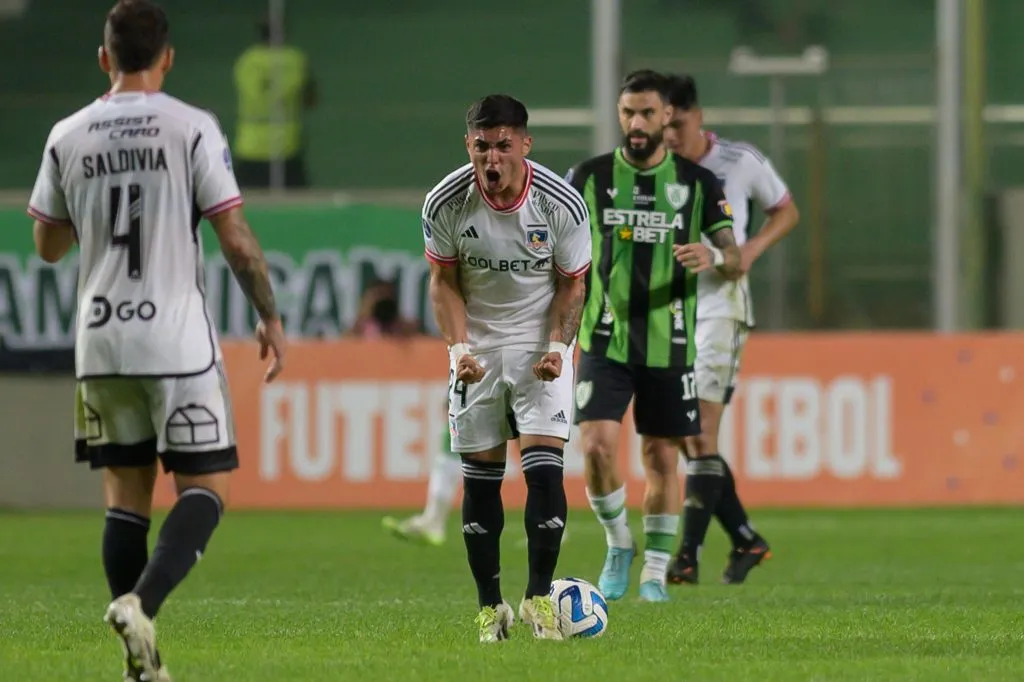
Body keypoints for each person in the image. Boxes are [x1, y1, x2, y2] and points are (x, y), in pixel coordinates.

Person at [26, 2, 286, 680]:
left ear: (103, 58)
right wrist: (270, 315)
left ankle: (141, 665)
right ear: (167, 58)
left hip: (101, 339)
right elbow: (236, 239)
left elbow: (47, 245)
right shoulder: (191, 128)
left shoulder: (68, 134)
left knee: (125, 492)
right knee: (207, 486)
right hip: (174, 338)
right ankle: (141, 602)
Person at [566, 70, 741, 603]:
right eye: (627, 113)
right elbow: (556, 246)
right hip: (603, 337)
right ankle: (620, 544)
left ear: (667, 116)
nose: (636, 124)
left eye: (646, 113)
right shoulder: (588, 177)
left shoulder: (699, 184)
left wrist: (713, 256)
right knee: (596, 447)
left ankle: (654, 575)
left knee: (662, 458)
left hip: (671, 341)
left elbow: (734, 259)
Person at [423, 94, 591, 642]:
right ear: (467, 146)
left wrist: (558, 348)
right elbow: (443, 282)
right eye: (480, 147)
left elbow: (572, 283)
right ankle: (489, 607)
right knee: (482, 480)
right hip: (477, 351)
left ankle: (539, 599)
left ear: (524, 144)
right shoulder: (445, 203)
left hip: (540, 348)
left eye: (502, 146)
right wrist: (458, 350)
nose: (491, 158)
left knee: (545, 470)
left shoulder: (561, 204)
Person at [661, 74, 799, 585]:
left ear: (698, 118)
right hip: (669, 311)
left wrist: (748, 254)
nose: (670, 134)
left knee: (698, 433)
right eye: (663, 123)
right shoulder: (653, 169)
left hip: (721, 307)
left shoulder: (740, 162)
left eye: (678, 123)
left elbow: (785, 210)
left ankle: (687, 558)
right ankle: (745, 537)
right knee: (686, 437)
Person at [231, 12, 316, 188]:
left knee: (244, 206)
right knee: (297, 205)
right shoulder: (296, 59)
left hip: (250, 145)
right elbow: (311, 100)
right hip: (286, 145)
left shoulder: (246, 60)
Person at [381, 412, 462, 546]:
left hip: (452, 462)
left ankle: (422, 529)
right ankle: (432, 530)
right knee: (439, 497)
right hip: (449, 461)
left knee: (441, 497)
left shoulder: (459, 418)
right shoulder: (455, 420)